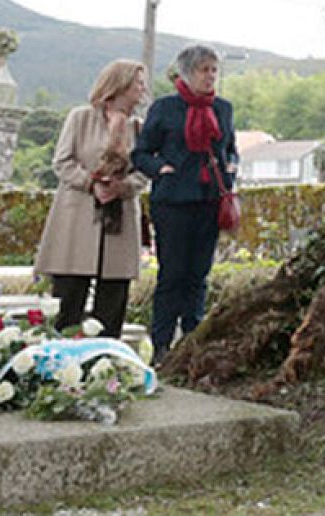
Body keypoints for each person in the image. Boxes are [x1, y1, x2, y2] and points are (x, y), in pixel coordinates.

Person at [133, 45, 237, 360]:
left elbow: (230, 148)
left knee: (198, 276)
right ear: (188, 73)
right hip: (173, 201)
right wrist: (160, 169)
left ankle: (193, 342)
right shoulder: (165, 108)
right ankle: (162, 345)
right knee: (172, 274)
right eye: (204, 70)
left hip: (210, 200)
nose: (211, 76)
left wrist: (232, 166)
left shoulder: (223, 109)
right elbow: (140, 153)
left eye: (214, 70)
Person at [34, 60, 150, 338]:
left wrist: (123, 187)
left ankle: (106, 358)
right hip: (78, 219)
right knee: (68, 301)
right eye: (138, 82)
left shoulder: (139, 127)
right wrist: (91, 183)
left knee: (112, 302)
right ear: (120, 84)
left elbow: (145, 170)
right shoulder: (80, 118)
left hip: (120, 221)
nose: (143, 88)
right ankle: (63, 357)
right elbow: (62, 162)